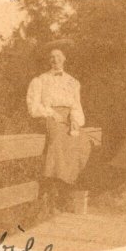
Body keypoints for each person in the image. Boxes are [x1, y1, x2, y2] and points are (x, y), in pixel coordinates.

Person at [26, 48, 92, 215]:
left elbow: (76, 105)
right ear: (49, 61)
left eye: (58, 57)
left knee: (82, 142)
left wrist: (76, 121)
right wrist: (52, 114)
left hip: (69, 117)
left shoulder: (72, 82)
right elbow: (34, 107)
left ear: (64, 59)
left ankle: (67, 189)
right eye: (52, 58)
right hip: (50, 116)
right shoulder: (41, 80)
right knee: (57, 141)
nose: (55, 60)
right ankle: (51, 191)